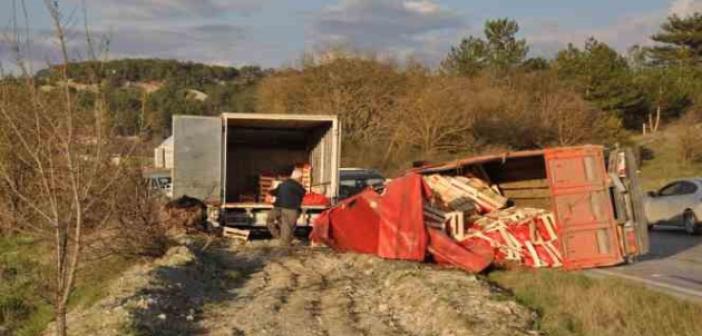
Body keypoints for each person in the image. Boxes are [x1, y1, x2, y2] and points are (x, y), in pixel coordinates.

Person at [266, 168, 306, 247]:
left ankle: (278, 236)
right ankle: (285, 246)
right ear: (298, 178)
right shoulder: (297, 185)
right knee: (287, 228)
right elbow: (303, 193)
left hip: (278, 207)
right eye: (301, 178)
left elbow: (274, 192)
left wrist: (269, 191)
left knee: (269, 220)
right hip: (290, 209)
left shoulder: (283, 184)